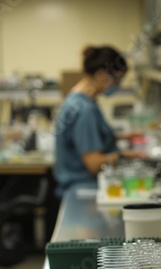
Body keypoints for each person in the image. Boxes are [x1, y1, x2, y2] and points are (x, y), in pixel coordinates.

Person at [54, 45, 147, 197]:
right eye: (117, 80)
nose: (118, 86)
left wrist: (123, 136)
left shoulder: (76, 100)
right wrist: (124, 155)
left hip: (75, 186)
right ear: (103, 75)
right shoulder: (85, 110)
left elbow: (84, 138)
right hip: (83, 189)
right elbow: (95, 164)